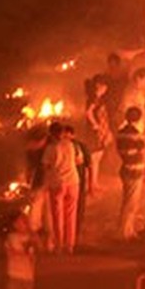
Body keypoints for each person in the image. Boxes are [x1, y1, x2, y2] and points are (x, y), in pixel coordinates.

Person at [42, 122, 81, 254]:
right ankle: (70, 245)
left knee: (57, 214)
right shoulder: (72, 145)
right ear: (63, 132)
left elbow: (45, 166)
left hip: (57, 182)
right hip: (73, 182)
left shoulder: (50, 148)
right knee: (71, 214)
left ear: (51, 134)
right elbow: (79, 161)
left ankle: (59, 244)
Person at [115, 106, 145, 240]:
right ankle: (123, 233)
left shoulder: (121, 132)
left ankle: (128, 230)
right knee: (131, 204)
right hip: (134, 170)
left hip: (126, 168)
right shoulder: (135, 134)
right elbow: (143, 152)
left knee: (128, 201)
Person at [4, 213, 39, 289]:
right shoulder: (11, 237)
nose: (22, 224)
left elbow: (36, 253)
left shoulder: (31, 237)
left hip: (28, 274)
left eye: (24, 221)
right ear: (14, 224)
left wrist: (34, 239)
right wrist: (24, 254)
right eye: (19, 222)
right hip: (14, 273)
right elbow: (11, 253)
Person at [65, 124, 94, 239]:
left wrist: (91, 185)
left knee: (78, 211)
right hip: (66, 183)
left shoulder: (81, 146)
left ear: (73, 135)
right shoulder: (59, 146)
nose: (66, 138)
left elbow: (90, 166)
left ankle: (74, 235)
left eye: (68, 135)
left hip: (79, 183)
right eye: (64, 136)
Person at [84, 74, 114, 179]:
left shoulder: (99, 99)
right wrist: (95, 125)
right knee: (93, 159)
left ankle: (94, 184)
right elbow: (88, 112)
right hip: (95, 133)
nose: (106, 88)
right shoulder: (94, 98)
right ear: (98, 85)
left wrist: (106, 131)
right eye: (104, 86)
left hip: (100, 131)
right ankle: (90, 186)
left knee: (98, 158)